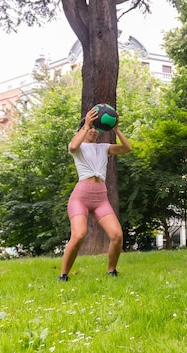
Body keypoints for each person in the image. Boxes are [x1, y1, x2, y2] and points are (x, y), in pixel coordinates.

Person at [58, 106, 132, 281]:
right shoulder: (77, 148)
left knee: (117, 235)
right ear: (83, 129)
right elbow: (74, 145)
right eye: (90, 128)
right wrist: (86, 124)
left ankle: (111, 271)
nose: (92, 131)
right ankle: (63, 275)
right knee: (78, 236)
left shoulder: (103, 148)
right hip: (81, 198)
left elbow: (127, 148)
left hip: (100, 198)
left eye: (94, 128)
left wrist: (116, 129)